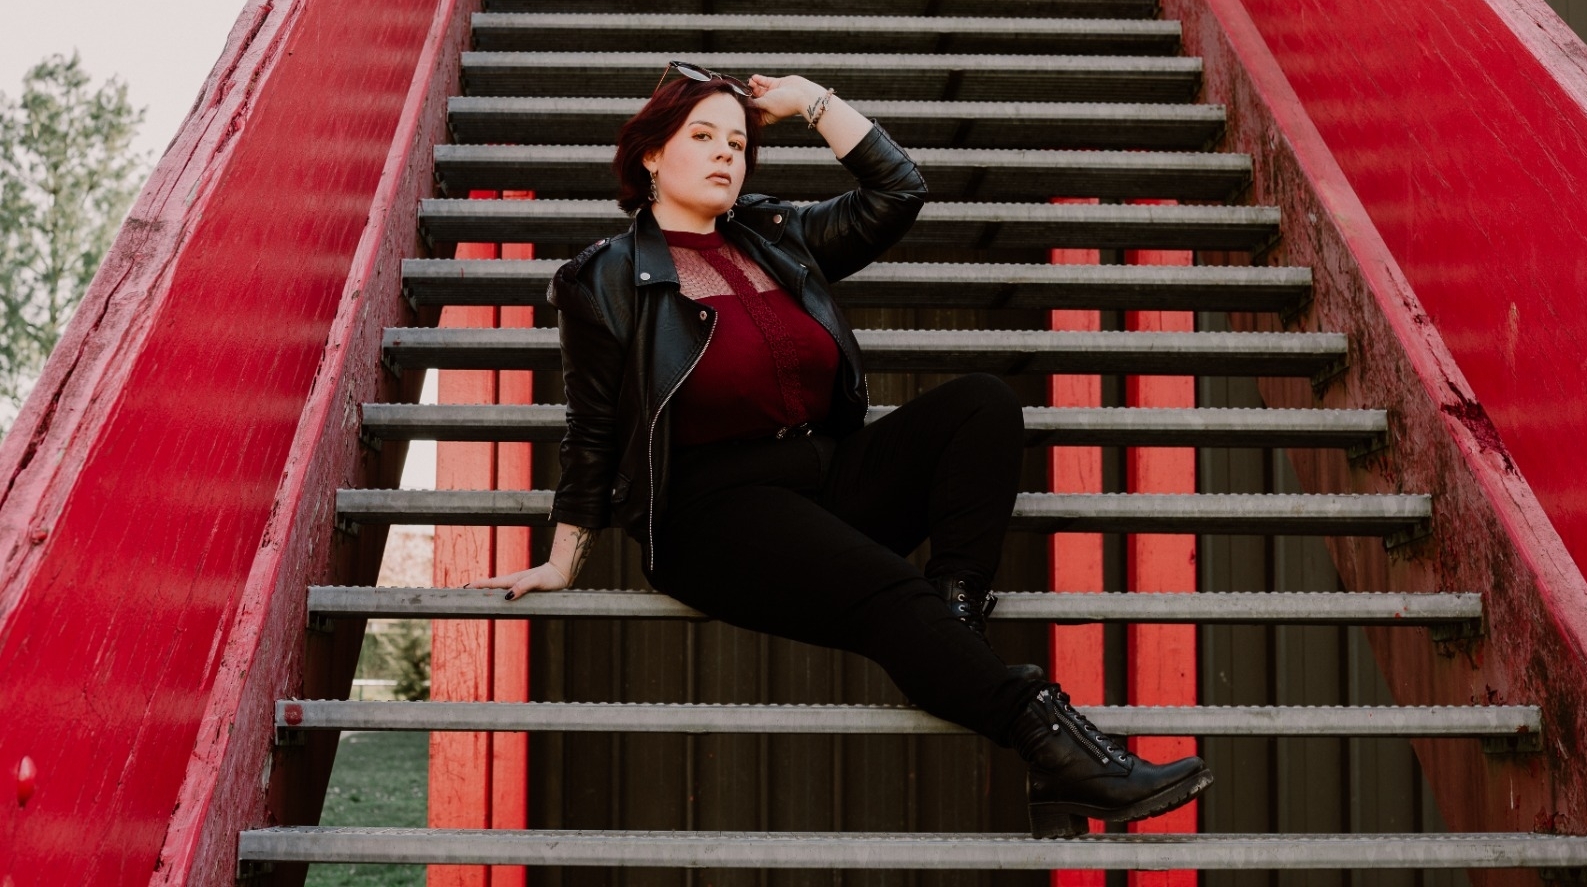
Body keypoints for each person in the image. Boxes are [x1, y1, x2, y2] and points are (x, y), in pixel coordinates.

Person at [466, 62, 1212, 838]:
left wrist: (811, 102)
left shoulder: (772, 238)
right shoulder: (603, 278)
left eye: (738, 143)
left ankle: (954, 624)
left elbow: (897, 192)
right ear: (651, 153)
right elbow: (591, 426)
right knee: (893, 597)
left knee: (981, 403)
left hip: (823, 474)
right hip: (711, 510)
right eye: (702, 137)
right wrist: (564, 557)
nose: (725, 155)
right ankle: (1060, 752)